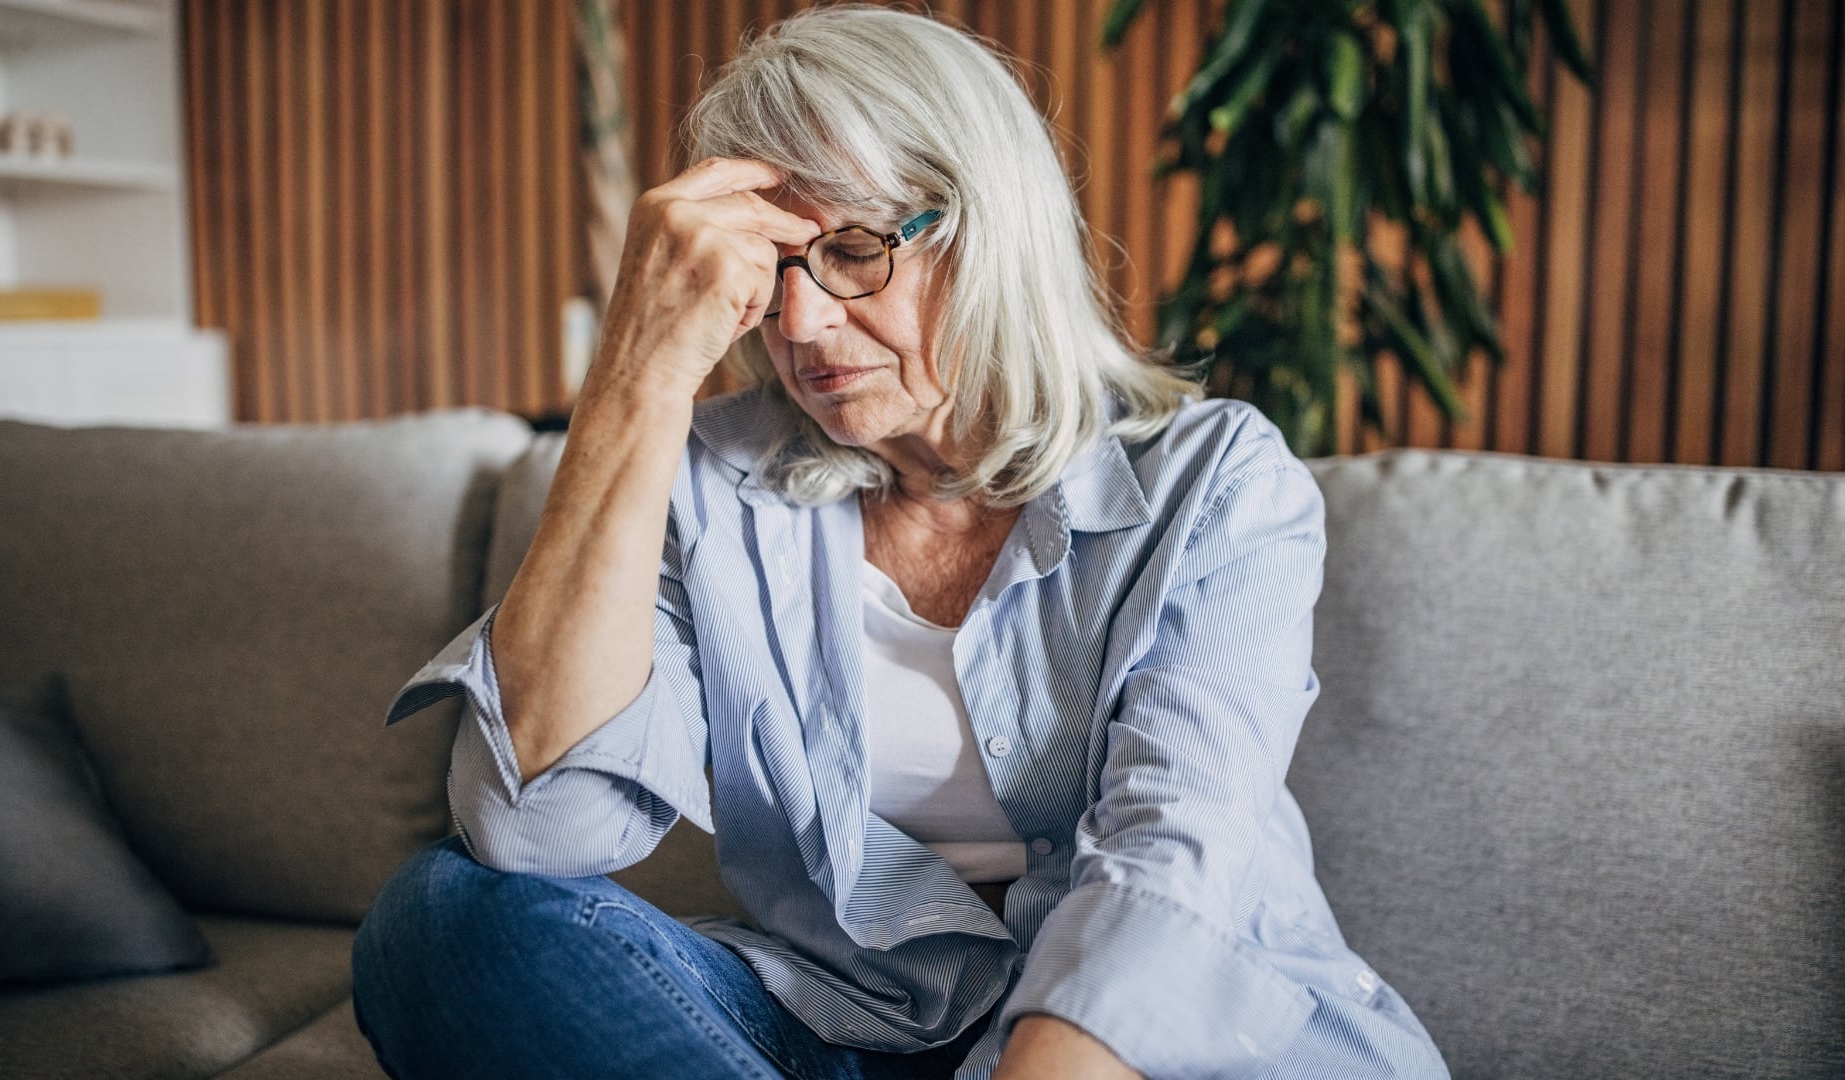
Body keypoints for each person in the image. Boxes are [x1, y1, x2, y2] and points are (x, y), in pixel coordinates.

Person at [351, 7, 1448, 1079]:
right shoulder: (711, 483)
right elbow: (541, 829)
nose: (801, 325)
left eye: (853, 251)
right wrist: (636, 374)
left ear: (990, 229)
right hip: (856, 1021)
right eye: (773, 270)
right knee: (445, 918)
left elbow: (1169, 863)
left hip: (1149, 1042)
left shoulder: (1216, 481)